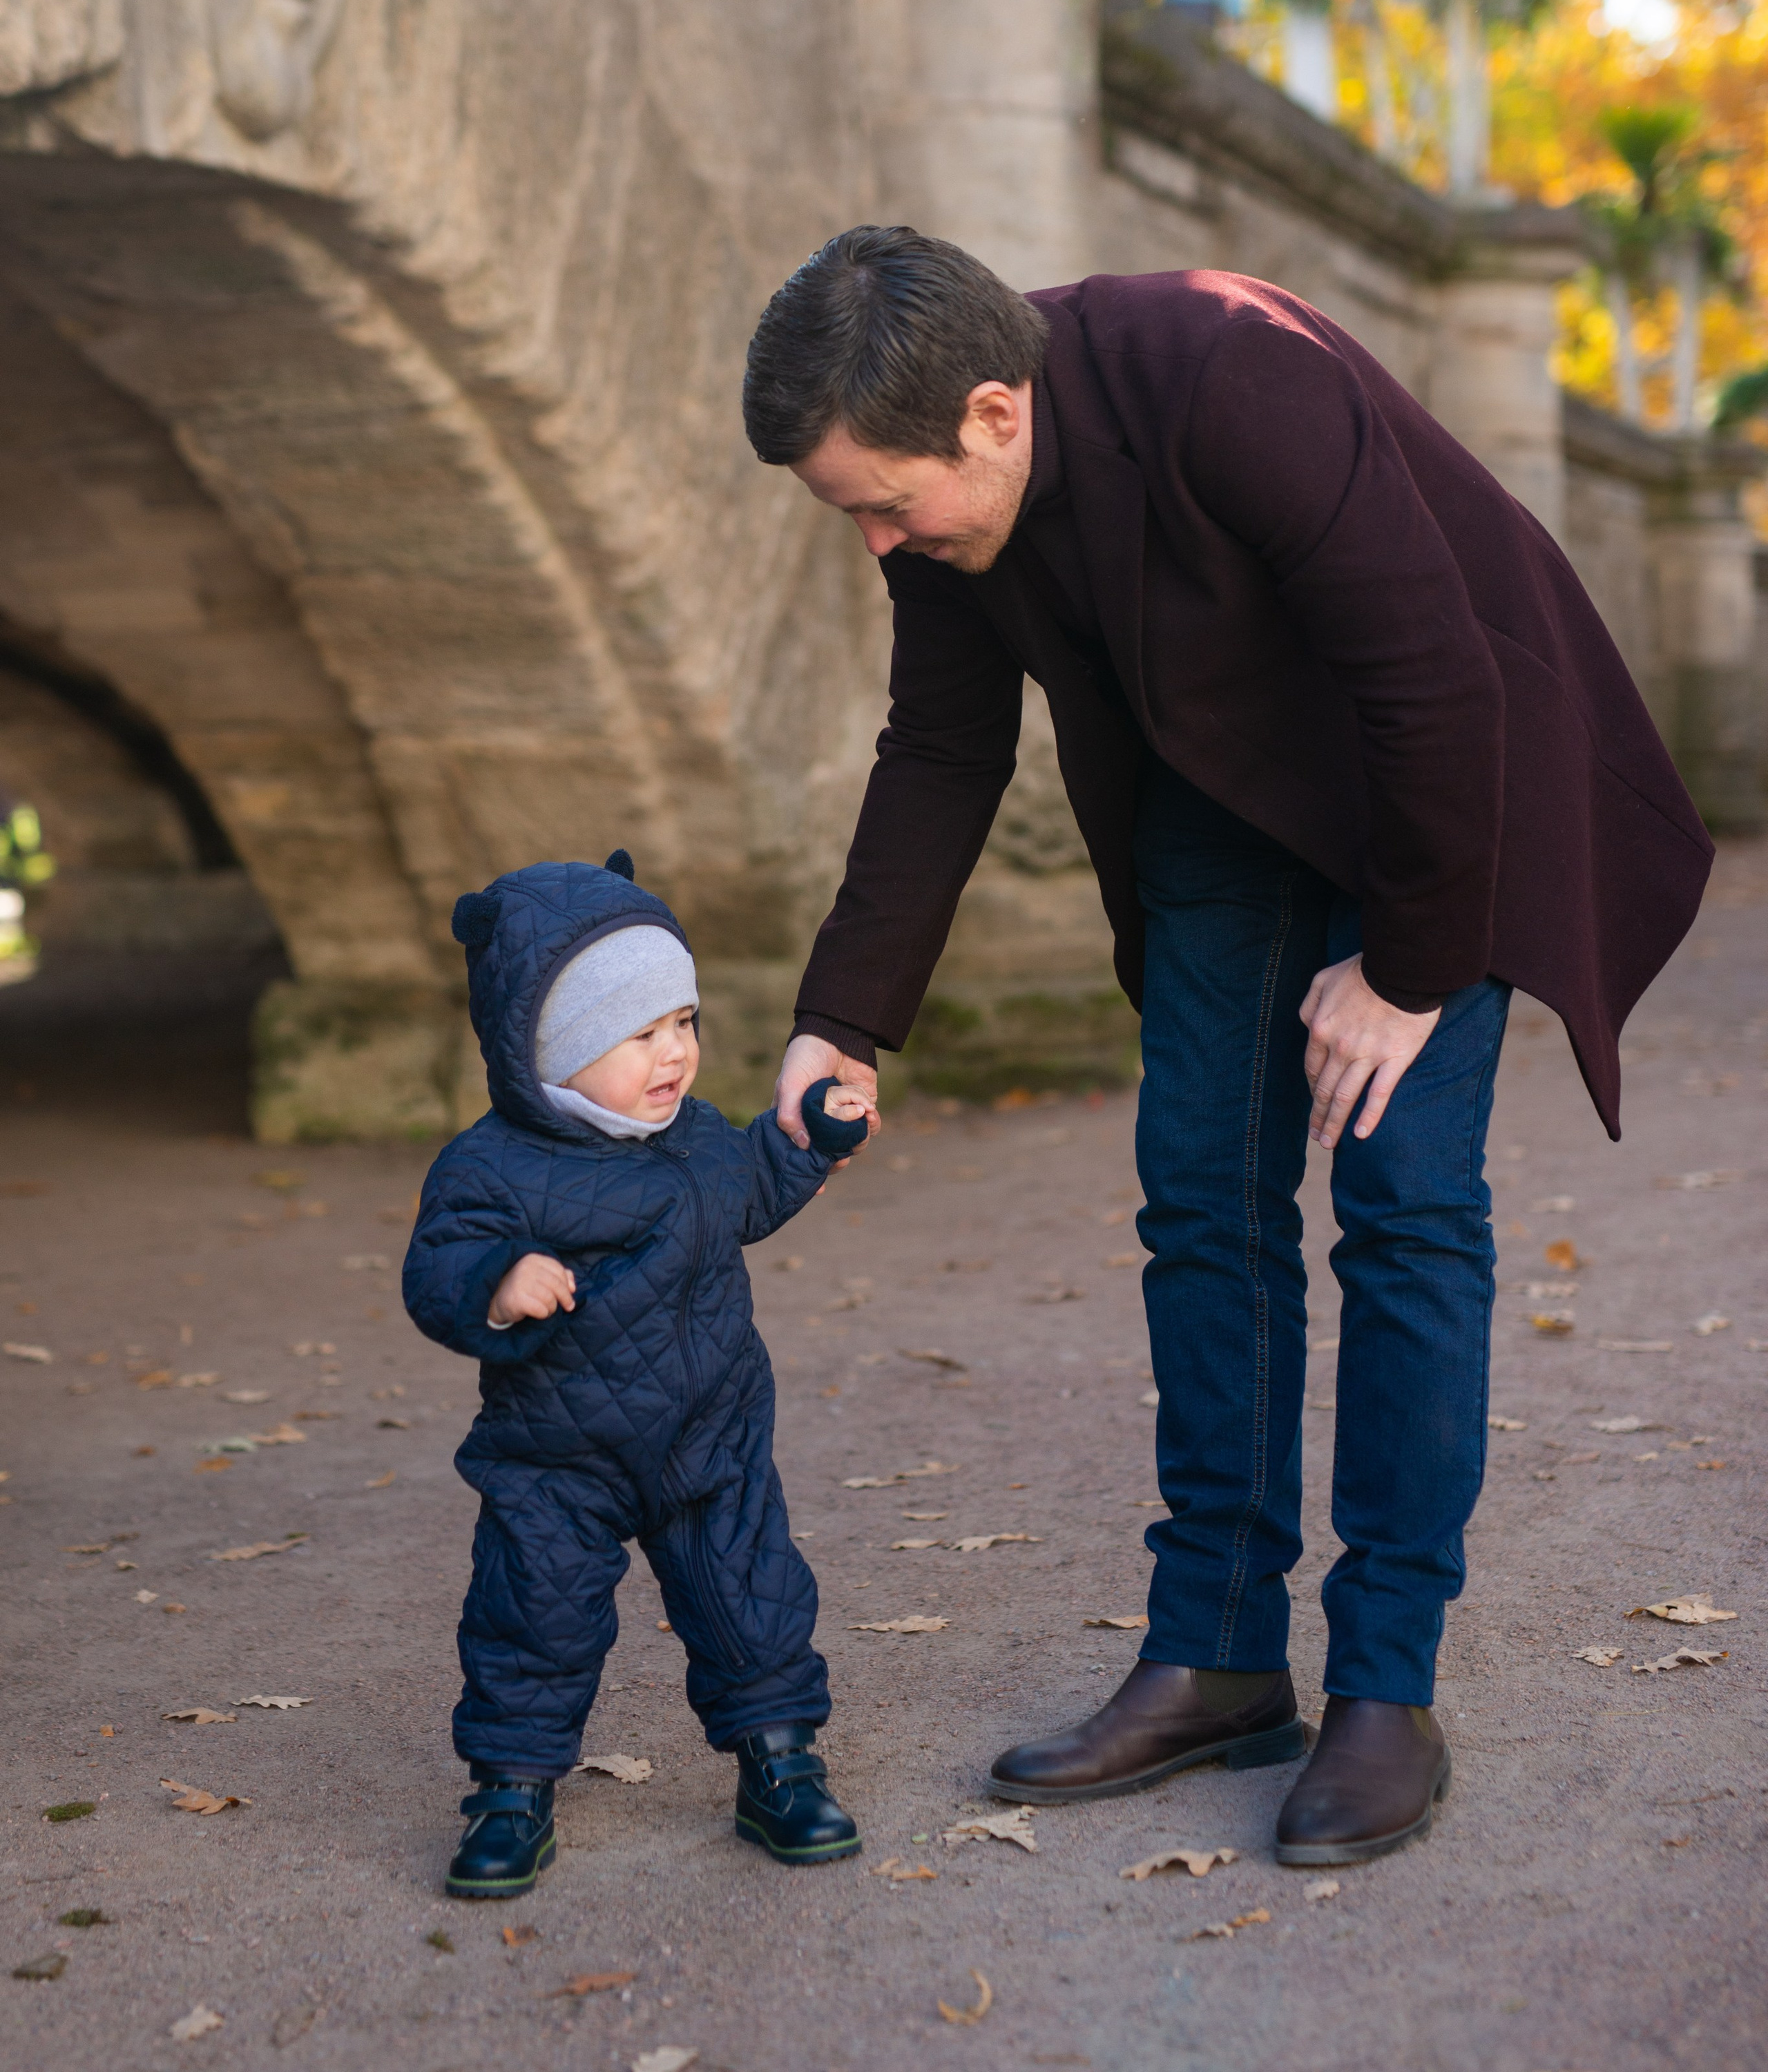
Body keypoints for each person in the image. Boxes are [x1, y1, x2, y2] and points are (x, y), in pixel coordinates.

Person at [742, 227, 1711, 1868]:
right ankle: (1215, 1654)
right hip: (1213, 804)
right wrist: (844, 1019)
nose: (876, 539)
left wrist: (1403, 972)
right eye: (852, 512)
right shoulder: (940, 501)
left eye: (882, 504)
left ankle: (1384, 1686)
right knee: (1198, 1196)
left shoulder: (1229, 374)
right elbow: (942, 747)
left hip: (1435, 791)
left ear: (992, 412)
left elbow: (1433, 684)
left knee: (1403, 1208)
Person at [403, 850, 875, 1898]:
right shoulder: (489, 1169)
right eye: (640, 1034)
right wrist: (497, 1281)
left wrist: (813, 1140)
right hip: (557, 1455)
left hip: (710, 1439)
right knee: (534, 1615)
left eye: (684, 1022)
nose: (676, 1053)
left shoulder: (695, 1138)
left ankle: (780, 1760)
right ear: (549, 1051)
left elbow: (754, 1187)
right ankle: (511, 1790)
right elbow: (436, 1269)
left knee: (751, 1594)